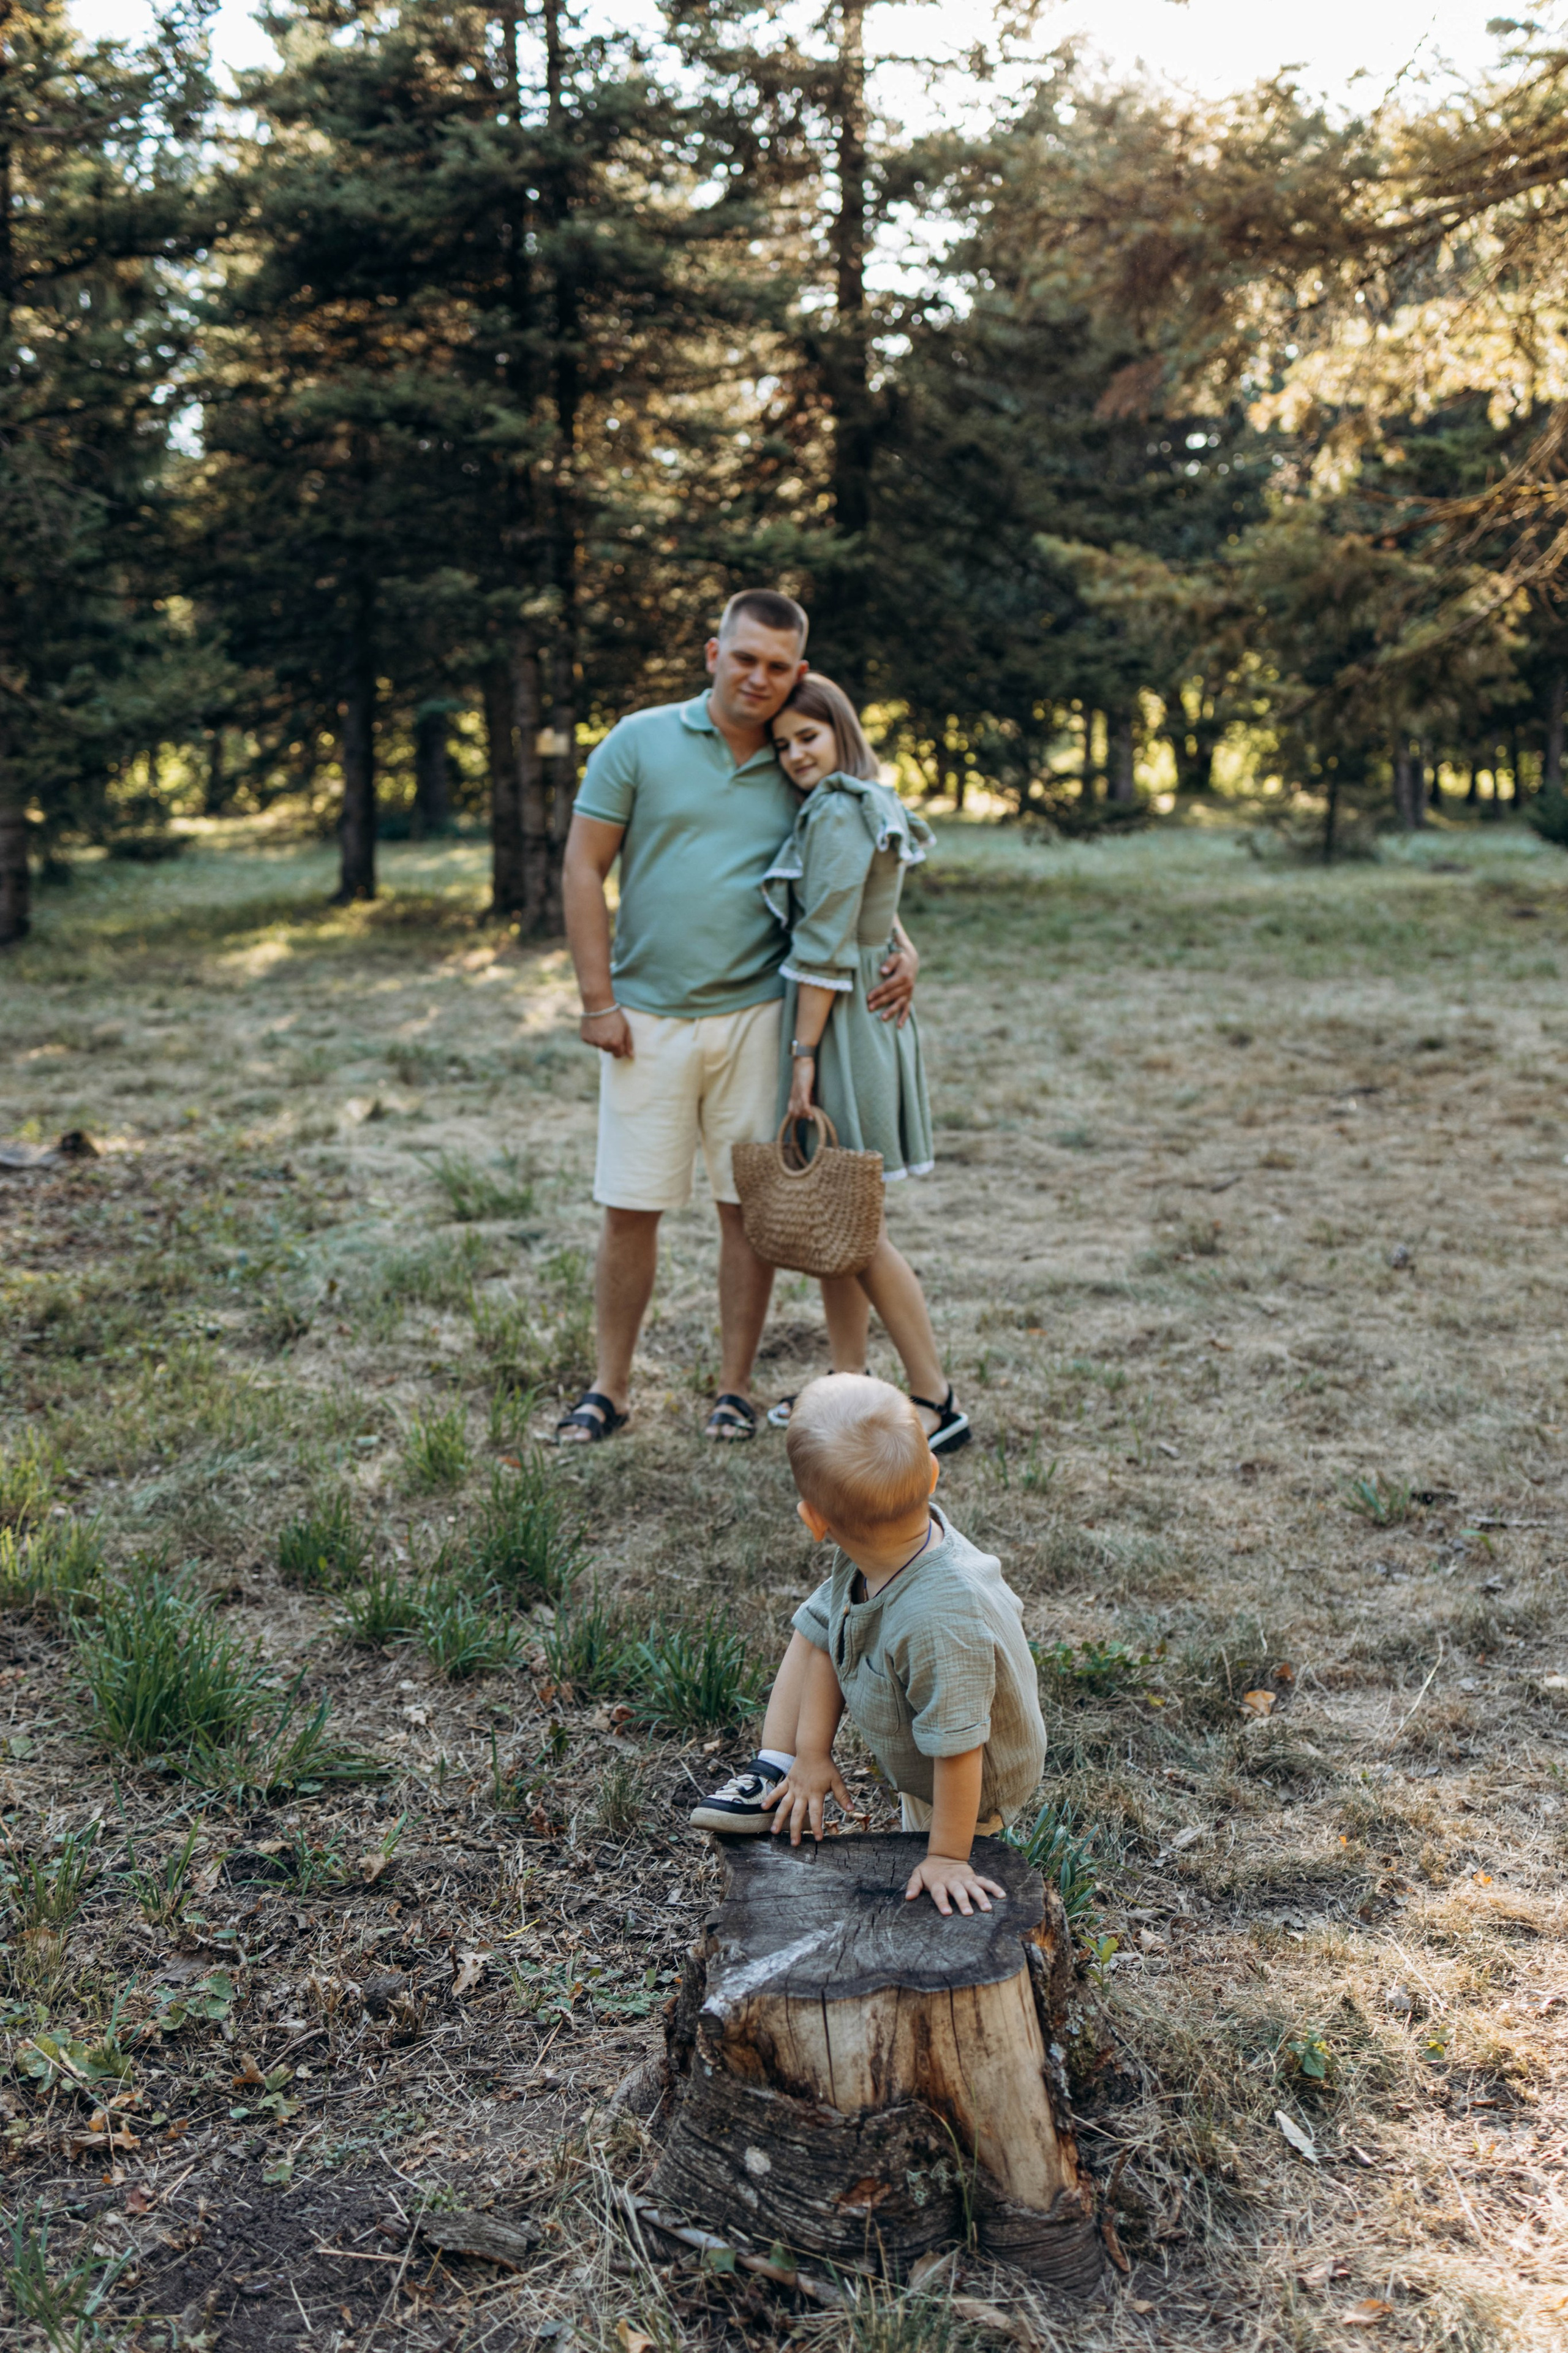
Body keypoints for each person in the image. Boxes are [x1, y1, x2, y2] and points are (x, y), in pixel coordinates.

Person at [557, 591, 920, 1444]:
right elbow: (582, 866)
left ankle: (734, 1389)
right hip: (642, 1017)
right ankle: (610, 1388)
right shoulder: (639, 740)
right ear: (712, 651)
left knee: (742, 1210)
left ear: (800, 671)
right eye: (745, 657)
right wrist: (595, 1000)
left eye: (779, 665)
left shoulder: (800, 757)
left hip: (761, 1014)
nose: (760, 679)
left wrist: (906, 943)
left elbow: (853, 866)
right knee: (629, 1207)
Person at [689, 1375, 1046, 1914]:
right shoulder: (872, 1553)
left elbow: (960, 1747)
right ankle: (780, 1764)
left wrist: (949, 1855)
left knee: (932, 1849)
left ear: (814, 1520)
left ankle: (956, 1848)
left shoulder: (941, 1622)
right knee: (817, 1621)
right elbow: (833, 1632)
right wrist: (812, 1753)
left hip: (972, 1779)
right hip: (932, 1736)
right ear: (933, 1472)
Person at [761, 672, 968, 1451]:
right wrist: (905, 946)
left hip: (842, 1021)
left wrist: (803, 1056)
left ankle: (937, 1400)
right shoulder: (849, 803)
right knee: (834, 1214)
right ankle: (846, 1380)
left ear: (841, 732)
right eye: (782, 745)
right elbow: (869, 910)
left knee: (856, 1221)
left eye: (807, 738)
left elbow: (823, 947)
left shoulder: (841, 810)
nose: (793, 756)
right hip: (849, 1010)